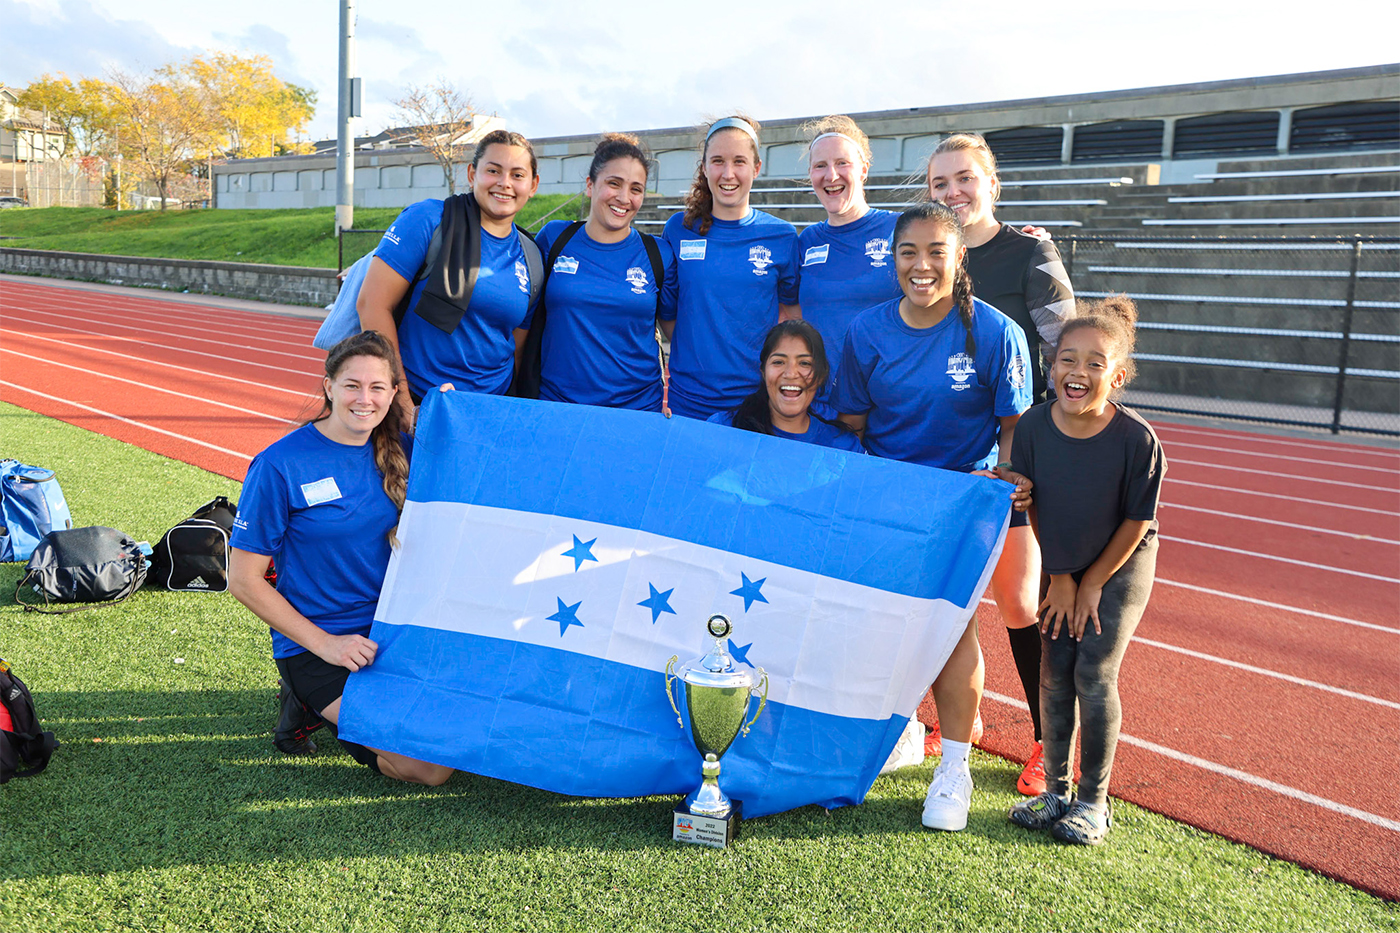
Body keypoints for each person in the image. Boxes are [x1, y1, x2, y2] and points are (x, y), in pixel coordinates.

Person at [830, 201, 1032, 831]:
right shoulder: (866, 331)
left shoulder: (997, 332)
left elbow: (1014, 427)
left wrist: (1007, 478)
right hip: (892, 495)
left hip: (962, 500)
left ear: (958, 257)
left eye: (935, 252)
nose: (921, 266)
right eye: (908, 253)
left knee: (952, 629)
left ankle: (956, 768)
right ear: (893, 260)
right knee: (881, 622)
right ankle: (889, 734)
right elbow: (855, 421)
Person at [229, 332, 454, 786]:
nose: (364, 399)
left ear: (394, 394)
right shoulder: (280, 465)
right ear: (328, 385)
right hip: (323, 644)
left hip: (397, 632)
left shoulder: (409, 452)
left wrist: (456, 422)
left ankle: (341, 710)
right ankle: (305, 694)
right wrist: (326, 645)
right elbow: (243, 579)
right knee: (427, 769)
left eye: (377, 388)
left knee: (464, 738)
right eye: (352, 385)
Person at [926, 133, 1077, 795]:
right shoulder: (930, 256)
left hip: (1013, 461)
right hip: (940, 460)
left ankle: (1051, 741)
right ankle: (962, 717)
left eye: (964, 179)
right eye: (940, 184)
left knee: (1019, 600)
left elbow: (1069, 351)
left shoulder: (1028, 251)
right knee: (947, 598)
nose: (953, 192)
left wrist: (1064, 449)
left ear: (992, 184)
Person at [1007, 296, 1164, 845]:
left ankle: (1093, 803)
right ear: (1052, 368)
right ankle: (1055, 791)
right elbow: (1033, 505)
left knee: (1092, 675)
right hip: (1064, 563)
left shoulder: (1136, 440)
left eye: (1095, 363)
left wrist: (1091, 582)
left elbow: (1135, 523)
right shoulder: (1030, 429)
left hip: (1118, 566)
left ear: (1117, 376)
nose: (1078, 372)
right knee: (1054, 671)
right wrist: (1063, 578)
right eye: (1067, 359)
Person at [357, 129, 541, 422]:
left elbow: (516, 347)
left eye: (517, 175)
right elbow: (372, 305)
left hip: (489, 412)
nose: (504, 183)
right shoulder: (429, 220)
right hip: (420, 406)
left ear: (533, 185)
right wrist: (401, 401)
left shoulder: (531, 256)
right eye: (493, 170)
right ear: (472, 174)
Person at [661, 115, 801, 420]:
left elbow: (791, 315)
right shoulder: (678, 229)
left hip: (756, 404)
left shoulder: (782, 236)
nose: (728, 173)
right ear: (704, 167)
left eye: (739, 161)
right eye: (718, 161)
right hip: (689, 402)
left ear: (756, 168)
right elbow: (669, 318)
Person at [531, 133, 676, 410]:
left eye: (636, 189)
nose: (624, 198)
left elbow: (681, 335)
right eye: (614, 183)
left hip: (636, 412)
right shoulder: (554, 238)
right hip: (558, 407)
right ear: (590, 185)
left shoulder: (658, 254)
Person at [795, 116, 899, 385]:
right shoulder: (807, 241)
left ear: (863, 169)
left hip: (885, 402)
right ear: (811, 175)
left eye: (842, 163)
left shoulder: (900, 228)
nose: (831, 175)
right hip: (820, 402)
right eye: (820, 166)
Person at [707, 320, 865, 453]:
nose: (790, 373)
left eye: (804, 363)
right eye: (778, 362)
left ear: (821, 376)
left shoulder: (843, 447)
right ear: (763, 371)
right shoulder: (722, 430)